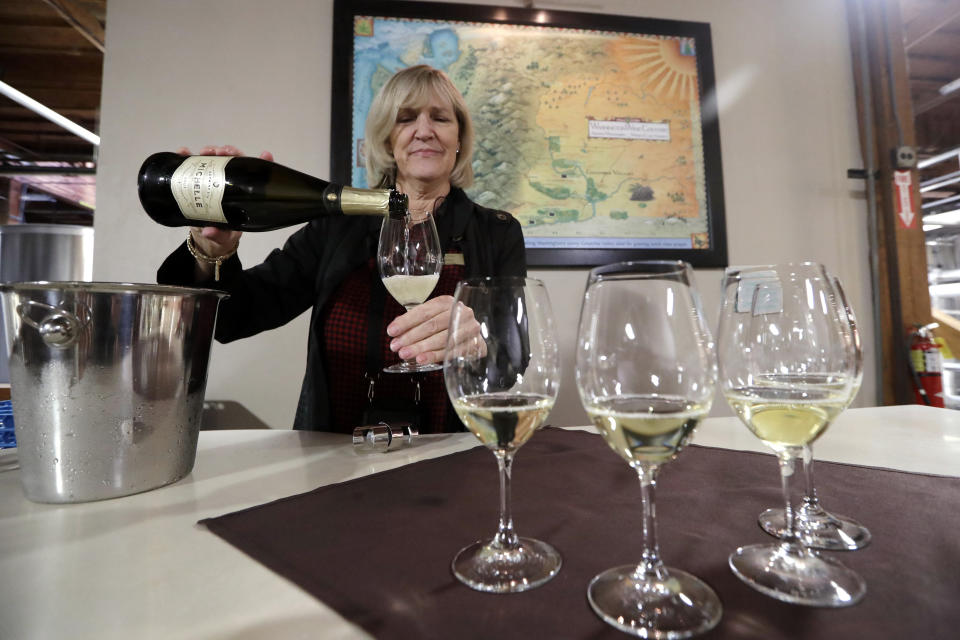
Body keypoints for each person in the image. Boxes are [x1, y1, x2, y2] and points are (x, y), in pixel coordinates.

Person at [157, 65, 526, 432]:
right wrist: (211, 251)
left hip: (455, 457)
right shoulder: (336, 225)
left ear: (459, 138)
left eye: (441, 118)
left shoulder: (497, 233)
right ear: (386, 140)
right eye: (406, 118)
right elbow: (235, 317)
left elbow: (514, 359)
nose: (424, 131)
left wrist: (480, 340)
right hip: (336, 460)